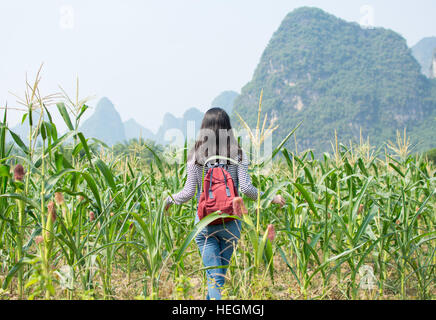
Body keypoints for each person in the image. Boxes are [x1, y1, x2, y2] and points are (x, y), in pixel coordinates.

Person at [164, 107, 285, 300]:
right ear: (228, 128)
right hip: (231, 222)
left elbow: (187, 193)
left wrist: (168, 200)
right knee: (217, 278)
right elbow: (246, 189)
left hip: (204, 223)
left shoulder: (195, 156)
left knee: (214, 278)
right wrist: (272, 197)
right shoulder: (238, 155)